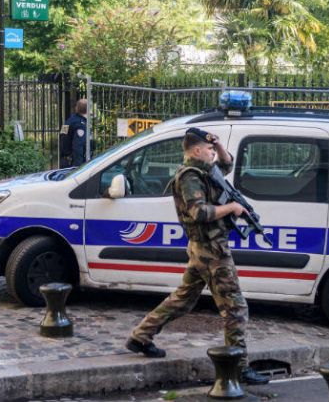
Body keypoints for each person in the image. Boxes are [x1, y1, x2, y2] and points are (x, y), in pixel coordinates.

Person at [125, 127, 270, 385]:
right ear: (195, 150)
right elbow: (199, 213)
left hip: (205, 248)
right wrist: (231, 208)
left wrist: (219, 144)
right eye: (209, 149)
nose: (213, 152)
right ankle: (238, 367)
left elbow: (227, 164)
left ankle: (140, 336)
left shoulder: (207, 171)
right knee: (236, 309)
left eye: (213, 149)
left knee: (182, 300)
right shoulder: (190, 176)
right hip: (210, 250)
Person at [59, 99, 89, 167]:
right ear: (88, 109)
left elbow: (62, 136)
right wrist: (78, 167)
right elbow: (78, 146)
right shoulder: (80, 124)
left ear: (76, 108)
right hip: (73, 163)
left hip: (64, 160)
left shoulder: (69, 121)